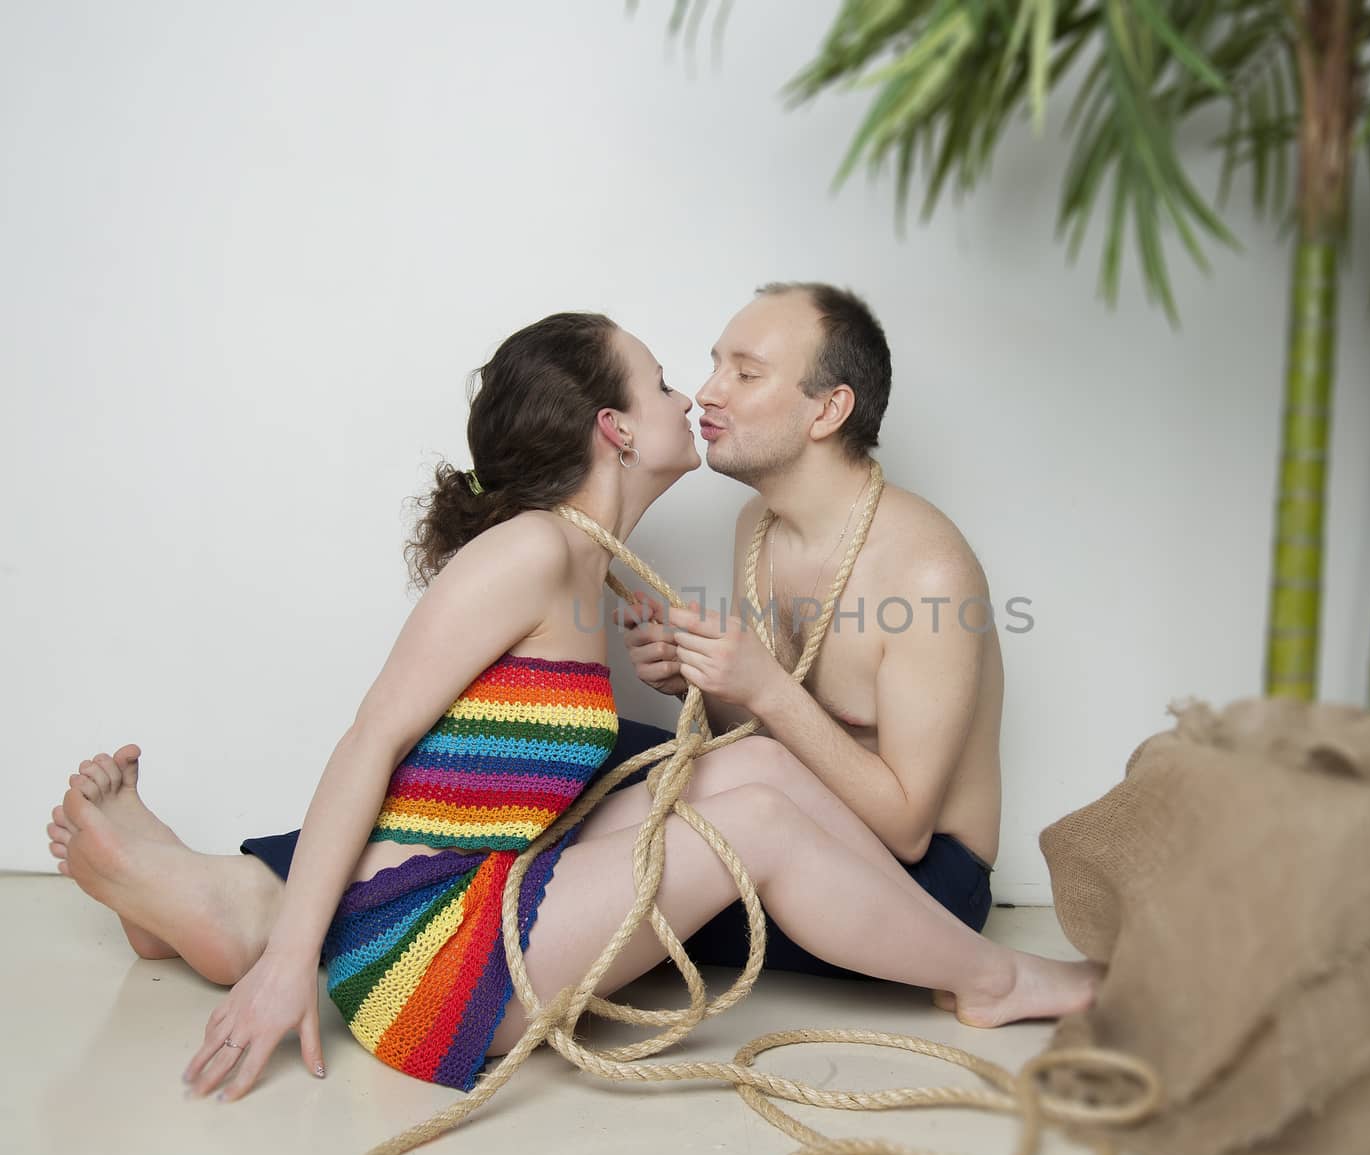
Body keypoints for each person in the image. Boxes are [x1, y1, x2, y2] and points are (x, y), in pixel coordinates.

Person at [47, 309, 1099, 1104]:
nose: (690, 394)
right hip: (437, 961)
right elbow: (374, 737)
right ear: (613, 427)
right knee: (763, 817)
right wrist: (289, 975)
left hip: (482, 901)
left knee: (766, 775)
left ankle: (214, 906)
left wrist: (710, 685)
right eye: (659, 382)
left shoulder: (586, 563)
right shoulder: (533, 550)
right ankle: (996, 979)